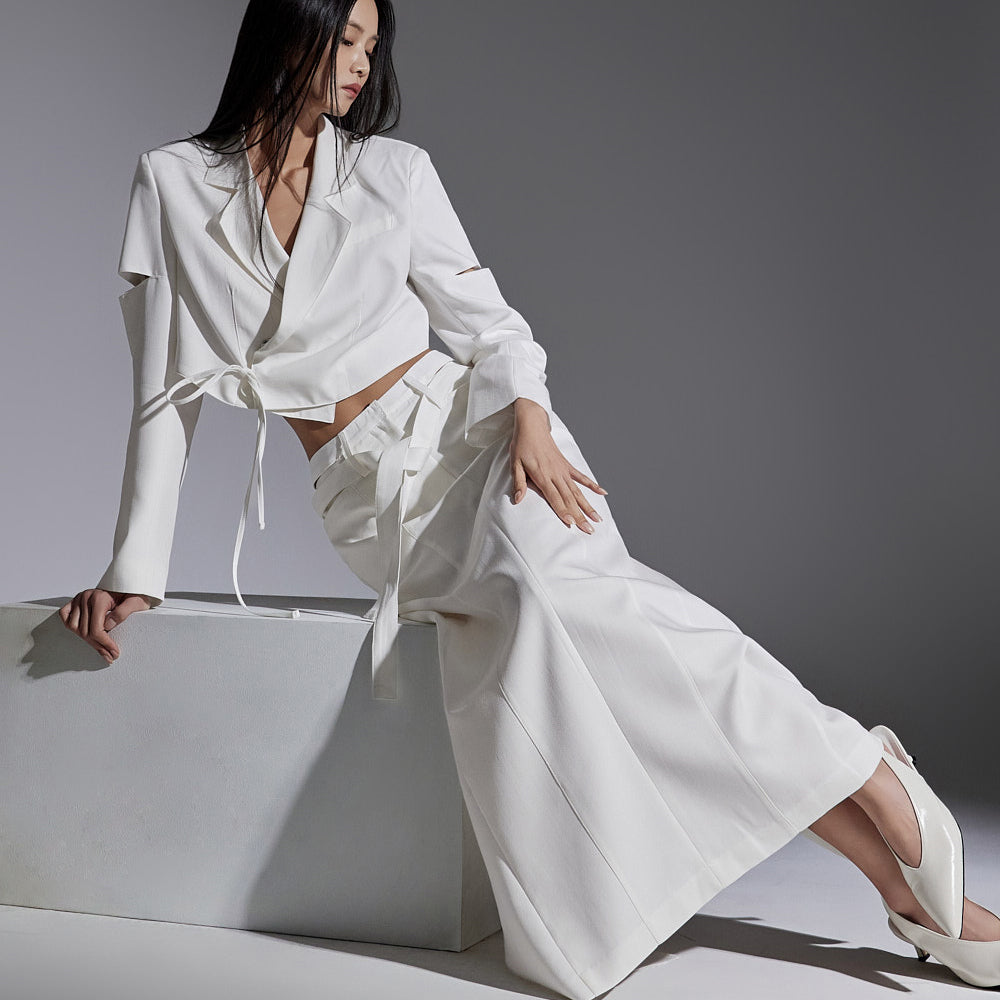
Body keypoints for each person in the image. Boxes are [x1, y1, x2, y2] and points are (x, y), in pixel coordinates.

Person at [59, 1, 1000, 996]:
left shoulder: (392, 173)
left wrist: (531, 419)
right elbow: (165, 394)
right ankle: (881, 814)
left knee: (591, 618)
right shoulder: (173, 184)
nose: (362, 62)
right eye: (347, 37)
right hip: (368, 501)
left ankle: (883, 820)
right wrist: (135, 571)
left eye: (373, 44)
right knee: (612, 650)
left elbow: (493, 329)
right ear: (289, 28)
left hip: (479, 441)